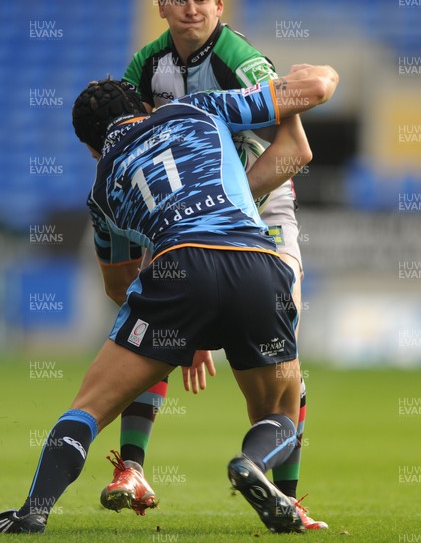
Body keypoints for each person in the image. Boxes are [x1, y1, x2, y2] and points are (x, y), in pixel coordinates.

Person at [0, 66, 338, 534]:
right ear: (143, 109)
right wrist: (316, 74)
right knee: (280, 410)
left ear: (91, 148)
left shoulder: (101, 191)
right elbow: (316, 89)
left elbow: (118, 286)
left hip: (177, 272)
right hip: (257, 265)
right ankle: (250, 462)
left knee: (88, 408)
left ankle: (32, 511)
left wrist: (177, 334)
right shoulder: (195, 108)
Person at [105, 0, 325, 530]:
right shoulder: (144, 67)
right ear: (160, 7)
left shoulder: (238, 58)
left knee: (284, 354)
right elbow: (126, 145)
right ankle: (130, 467)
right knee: (150, 315)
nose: (190, 8)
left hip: (265, 209)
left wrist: (224, 216)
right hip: (191, 216)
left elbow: (295, 150)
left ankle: (287, 496)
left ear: (220, 7)